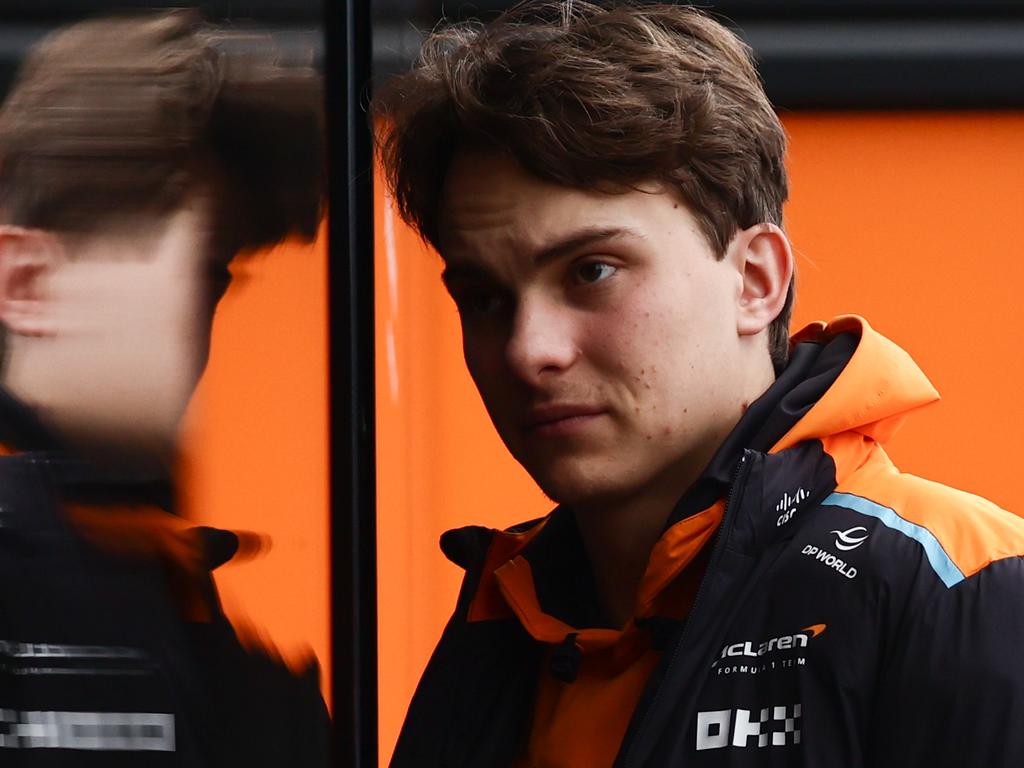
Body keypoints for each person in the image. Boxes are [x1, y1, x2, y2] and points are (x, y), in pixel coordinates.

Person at [372, 2, 1024, 766]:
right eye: (484, 297)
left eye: (592, 271)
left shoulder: (967, 591)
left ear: (755, 280)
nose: (527, 351)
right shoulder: (500, 623)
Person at [0, 11, 328, 766]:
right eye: (198, 271)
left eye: (223, 280)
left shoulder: (172, 603)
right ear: (30, 282)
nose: (208, 325)